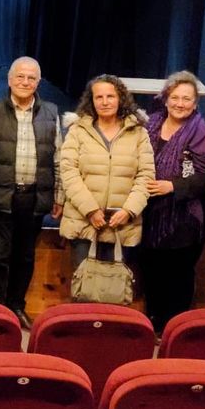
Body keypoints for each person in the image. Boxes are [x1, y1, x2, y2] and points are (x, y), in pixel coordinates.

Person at [0, 56, 61, 327]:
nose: (25, 82)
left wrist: (59, 196)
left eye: (31, 78)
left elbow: (57, 158)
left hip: (34, 198)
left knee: (24, 257)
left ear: (38, 82)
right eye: (20, 76)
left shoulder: (51, 113)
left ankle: (16, 307)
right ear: (10, 79)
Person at [137, 71, 205, 332]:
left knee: (177, 275)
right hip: (148, 212)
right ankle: (154, 325)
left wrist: (171, 186)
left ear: (195, 103)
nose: (180, 103)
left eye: (186, 99)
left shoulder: (202, 134)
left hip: (184, 217)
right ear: (166, 98)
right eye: (175, 97)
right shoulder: (149, 125)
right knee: (150, 270)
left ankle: (175, 330)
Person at [58, 74, 154, 270]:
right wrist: (91, 210)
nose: (105, 102)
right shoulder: (77, 131)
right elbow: (68, 172)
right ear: (91, 101)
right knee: (84, 285)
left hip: (123, 226)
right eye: (99, 97)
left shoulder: (138, 133)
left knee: (116, 286)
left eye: (110, 96)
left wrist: (129, 211)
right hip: (83, 222)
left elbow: (146, 176)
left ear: (120, 98)